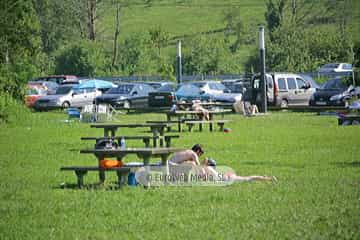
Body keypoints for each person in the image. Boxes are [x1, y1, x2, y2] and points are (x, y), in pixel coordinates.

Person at [169, 144, 276, 183]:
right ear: (198, 151)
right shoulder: (193, 155)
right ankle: (265, 178)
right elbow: (198, 169)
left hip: (169, 165)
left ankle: (265, 178)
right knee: (247, 178)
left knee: (247, 178)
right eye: (201, 154)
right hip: (225, 177)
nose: (200, 156)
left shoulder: (187, 153)